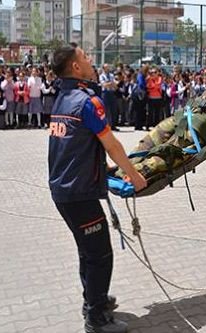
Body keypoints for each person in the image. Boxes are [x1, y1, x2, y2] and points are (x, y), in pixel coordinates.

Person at [48, 43, 147, 333]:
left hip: (65, 190)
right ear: (76, 67)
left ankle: (94, 299)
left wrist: (99, 167)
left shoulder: (63, 98)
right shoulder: (87, 102)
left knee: (88, 252)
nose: (91, 61)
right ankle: (97, 319)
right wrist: (134, 175)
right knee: (100, 255)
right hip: (79, 193)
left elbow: (74, 144)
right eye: (86, 57)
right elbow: (112, 144)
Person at [99, 64, 119, 131]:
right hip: (105, 94)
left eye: (108, 67)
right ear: (103, 68)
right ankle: (107, 125)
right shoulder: (101, 76)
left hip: (111, 93)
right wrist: (111, 84)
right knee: (106, 110)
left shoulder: (111, 75)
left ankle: (113, 125)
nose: (108, 69)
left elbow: (115, 85)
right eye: (106, 68)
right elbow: (104, 85)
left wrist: (110, 84)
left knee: (113, 110)